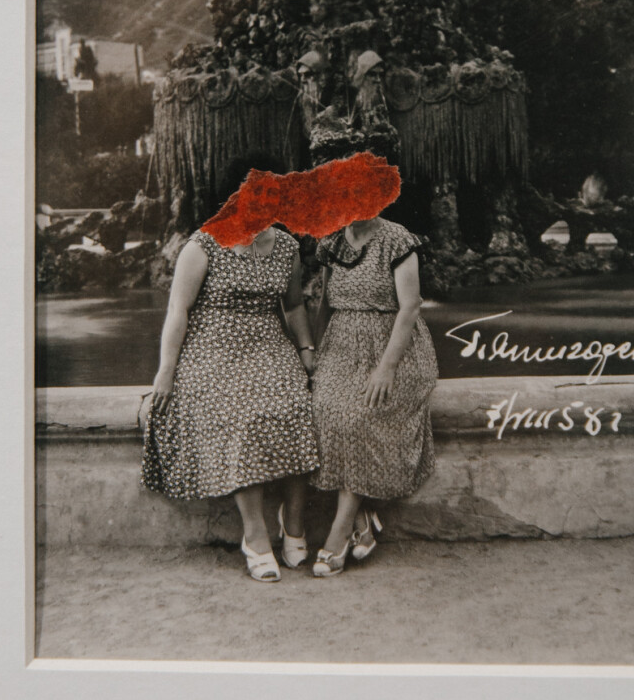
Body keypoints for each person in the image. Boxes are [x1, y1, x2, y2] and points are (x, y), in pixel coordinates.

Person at [141, 162, 318, 583]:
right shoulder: (203, 244)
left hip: (269, 347)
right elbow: (178, 311)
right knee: (242, 415)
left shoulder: (287, 247)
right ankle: (255, 536)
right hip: (212, 349)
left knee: (301, 407)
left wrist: (306, 350)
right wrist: (166, 371)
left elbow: (294, 305)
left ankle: (293, 522)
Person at [310, 213, 438, 576]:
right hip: (341, 348)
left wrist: (386, 368)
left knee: (358, 417)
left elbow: (410, 306)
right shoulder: (332, 242)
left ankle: (339, 533)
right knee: (320, 409)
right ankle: (362, 518)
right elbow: (325, 304)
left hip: (393, 349)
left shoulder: (397, 240)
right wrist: (317, 357)